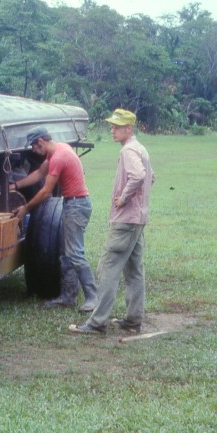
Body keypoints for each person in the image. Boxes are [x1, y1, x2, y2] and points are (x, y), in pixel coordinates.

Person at [69, 108, 155, 336]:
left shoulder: (129, 151)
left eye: (117, 127)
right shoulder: (140, 148)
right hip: (138, 220)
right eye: (112, 126)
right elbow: (151, 177)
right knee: (135, 270)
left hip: (125, 221)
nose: (112, 130)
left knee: (107, 268)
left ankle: (97, 322)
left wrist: (123, 198)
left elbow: (139, 176)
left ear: (129, 128)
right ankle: (132, 320)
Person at [11, 126, 98, 312]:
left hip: (77, 205)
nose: (33, 151)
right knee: (66, 254)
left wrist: (25, 207)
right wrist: (16, 185)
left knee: (75, 253)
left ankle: (93, 297)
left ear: (41, 142)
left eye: (34, 147)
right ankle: (68, 297)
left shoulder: (58, 157)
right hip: (72, 203)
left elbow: (45, 192)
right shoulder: (58, 150)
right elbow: (38, 174)